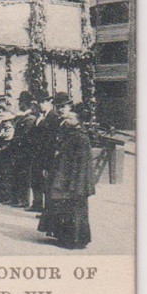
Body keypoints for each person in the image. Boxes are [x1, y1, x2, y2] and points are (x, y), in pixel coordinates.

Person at [39, 104, 95, 249]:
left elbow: (81, 165)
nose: (67, 119)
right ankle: (65, 237)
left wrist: (74, 183)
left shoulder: (81, 138)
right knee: (65, 208)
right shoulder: (70, 133)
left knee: (75, 210)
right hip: (65, 177)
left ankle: (74, 240)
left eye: (71, 117)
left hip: (74, 180)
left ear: (78, 121)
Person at [11, 91, 37, 208]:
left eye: (20, 102)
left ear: (24, 103)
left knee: (24, 176)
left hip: (24, 152)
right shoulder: (22, 117)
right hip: (19, 151)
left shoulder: (30, 118)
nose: (19, 105)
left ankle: (24, 200)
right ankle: (18, 199)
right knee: (18, 175)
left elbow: (26, 137)